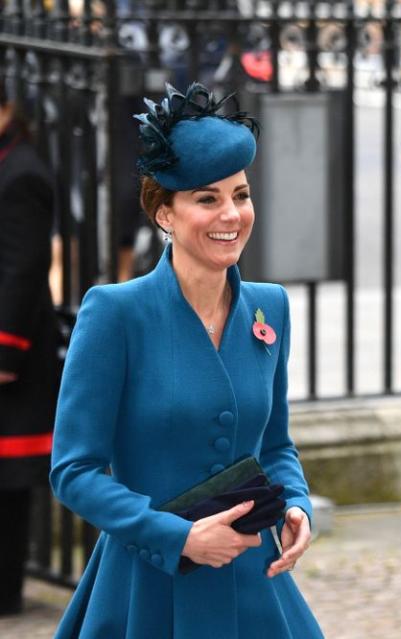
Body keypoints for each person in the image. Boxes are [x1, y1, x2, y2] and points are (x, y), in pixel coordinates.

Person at [50, 83, 324, 638]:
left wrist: (296, 503)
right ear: (165, 214)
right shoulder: (115, 314)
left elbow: (274, 445)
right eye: (207, 199)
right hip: (145, 586)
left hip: (253, 583)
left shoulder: (269, 307)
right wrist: (177, 536)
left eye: (241, 195)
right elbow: (73, 471)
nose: (232, 214)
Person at [0, 82, 60, 617]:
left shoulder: (22, 174)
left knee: (8, 487)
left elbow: (21, 271)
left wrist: (5, 352)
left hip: (12, 355)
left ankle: (6, 591)